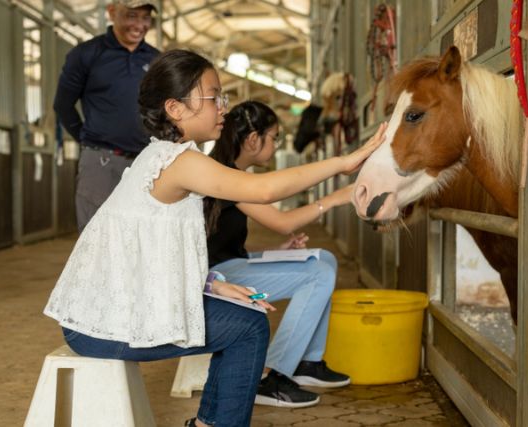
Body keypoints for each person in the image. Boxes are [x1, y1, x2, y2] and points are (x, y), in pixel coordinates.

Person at [43, 49, 387, 427]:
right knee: (249, 327)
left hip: (100, 314)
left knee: (244, 318)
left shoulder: (164, 156)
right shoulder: (178, 162)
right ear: (175, 109)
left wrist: (208, 284)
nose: (223, 107)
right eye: (213, 97)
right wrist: (345, 162)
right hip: (104, 324)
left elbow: (151, 251)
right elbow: (265, 190)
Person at [204, 101, 354, 408]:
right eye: (274, 137)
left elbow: (222, 243)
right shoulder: (227, 177)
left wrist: (276, 253)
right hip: (215, 278)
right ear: (252, 140)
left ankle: (307, 363)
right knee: (318, 274)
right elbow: (283, 222)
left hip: (233, 263)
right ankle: (269, 376)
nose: (275, 145)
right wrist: (335, 199)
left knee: (324, 259)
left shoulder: (229, 172)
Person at [53, 0, 160, 232]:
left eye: (145, 18)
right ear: (112, 12)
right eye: (132, 16)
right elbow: (62, 104)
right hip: (100, 162)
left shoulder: (157, 60)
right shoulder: (86, 54)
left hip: (146, 163)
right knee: (96, 238)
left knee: (143, 237)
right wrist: (86, 139)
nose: (139, 25)